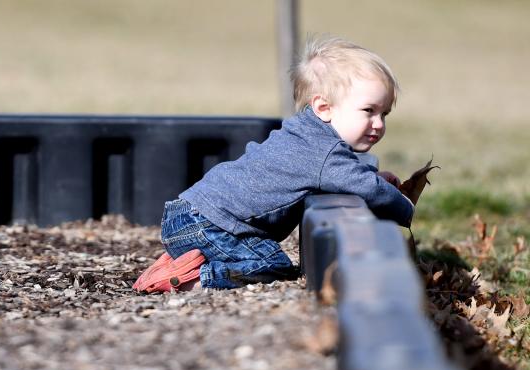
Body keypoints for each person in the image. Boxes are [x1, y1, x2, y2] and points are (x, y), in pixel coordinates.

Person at [133, 35, 414, 293]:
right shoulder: (323, 151)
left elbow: (350, 175)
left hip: (193, 216)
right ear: (323, 107)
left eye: (385, 114)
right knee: (271, 264)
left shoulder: (306, 133)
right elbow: (367, 188)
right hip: (208, 225)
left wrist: (373, 176)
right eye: (369, 111)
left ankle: (185, 259)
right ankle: (187, 278)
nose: (379, 124)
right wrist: (404, 206)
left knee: (266, 259)